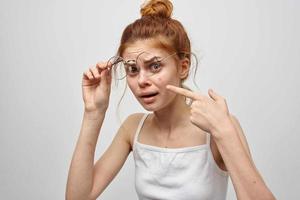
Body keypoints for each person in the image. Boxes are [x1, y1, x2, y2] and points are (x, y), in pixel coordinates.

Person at [66, 0, 276, 199]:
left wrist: (224, 131)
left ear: (183, 67)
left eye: (155, 66)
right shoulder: (133, 128)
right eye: (132, 69)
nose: (142, 81)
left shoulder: (218, 126)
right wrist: (93, 113)